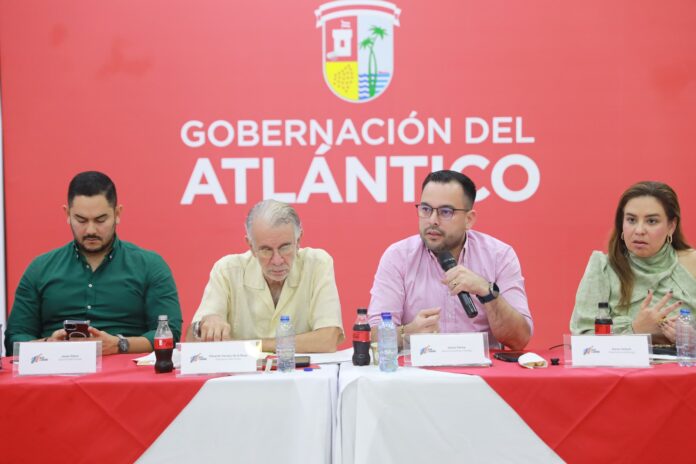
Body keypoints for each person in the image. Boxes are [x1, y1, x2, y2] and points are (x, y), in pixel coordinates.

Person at [4, 171, 182, 355]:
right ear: (67, 214)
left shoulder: (149, 266)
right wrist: (49, 344)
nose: (91, 230)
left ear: (117, 213)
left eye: (100, 220)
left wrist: (119, 344)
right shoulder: (40, 269)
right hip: (54, 368)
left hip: (127, 368)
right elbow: (14, 340)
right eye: (81, 220)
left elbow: (170, 334)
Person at [368, 170, 533, 350]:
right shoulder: (398, 257)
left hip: (481, 367)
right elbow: (375, 338)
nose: (432, 220)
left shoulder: (499, 255)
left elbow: (519, 339)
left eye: (445, 212)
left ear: (469, 219)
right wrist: (407, 332)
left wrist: (487, 293)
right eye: (426, 209)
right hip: (420, 366)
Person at [187, 199, 344, 352]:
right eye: (266, 250)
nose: (277, 261)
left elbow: (328, 340)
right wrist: (204, 325)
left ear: (298, 240)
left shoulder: (317, 264)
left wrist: (251, 347)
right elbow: (191, 342)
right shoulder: (227, 270)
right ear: (251, 246)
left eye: (284, 247)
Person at [570, 181, 696, 343]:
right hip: (621, 361)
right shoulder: (604, 268)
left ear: (671, 226)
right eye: (631, 220)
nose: (639, 230)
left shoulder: (692, 263)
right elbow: (582, 339)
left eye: (651, 221)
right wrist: (635, 330)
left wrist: (693, 341)